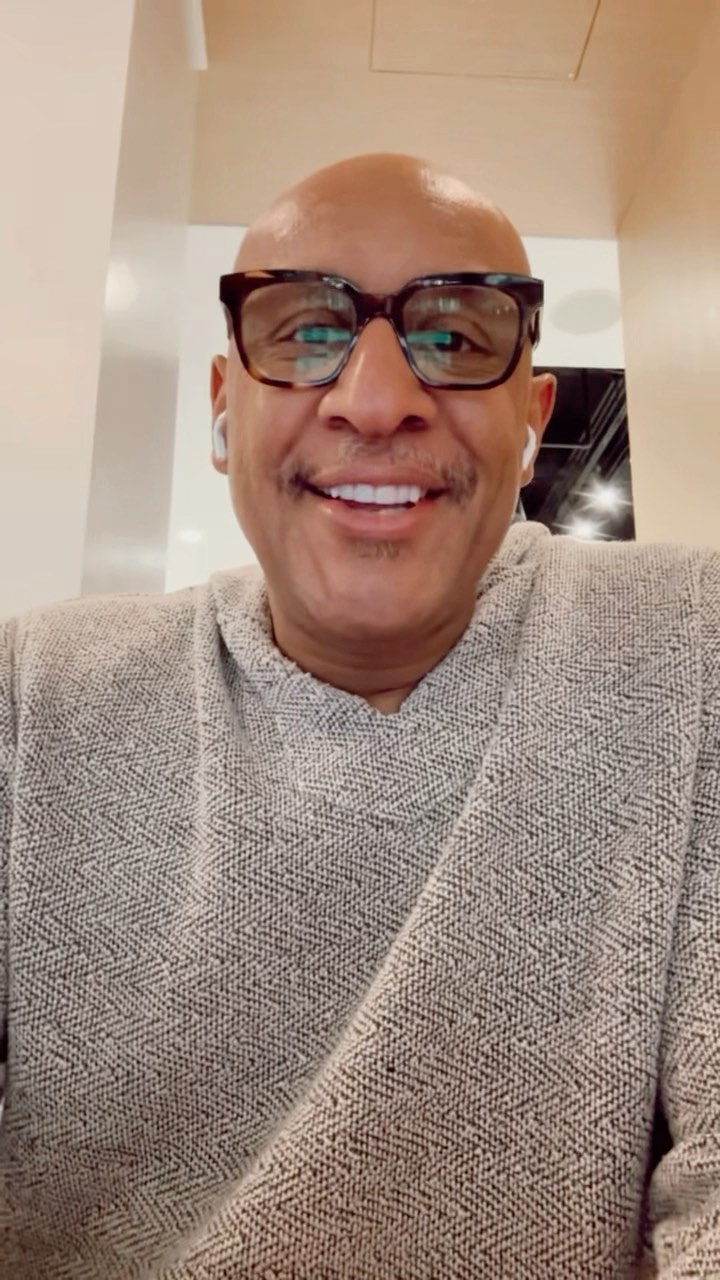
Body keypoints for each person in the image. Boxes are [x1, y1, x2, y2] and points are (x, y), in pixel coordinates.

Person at [0, 152, 718, 1280]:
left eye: (458, 337)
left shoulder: (690, 652)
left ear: (531, 421)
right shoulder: (36, 695)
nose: (377, 399)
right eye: (303, 330)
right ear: (224, 404)